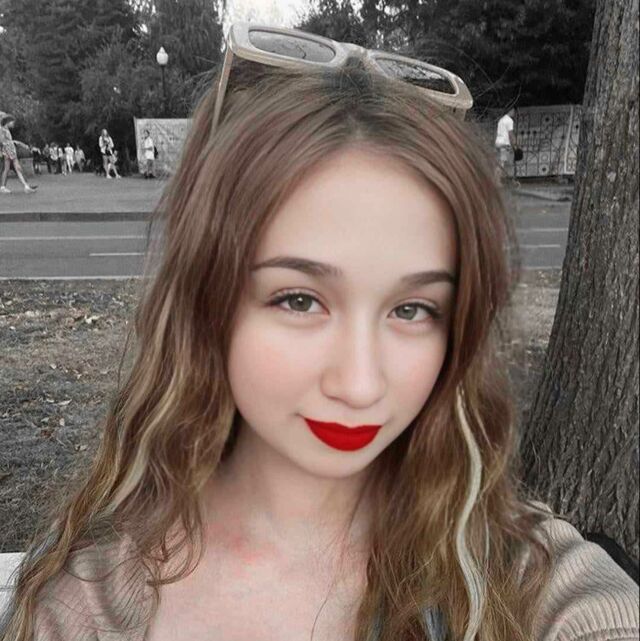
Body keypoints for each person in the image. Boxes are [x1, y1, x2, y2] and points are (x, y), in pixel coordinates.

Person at [1, 22, 638, 641]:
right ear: (206, 299)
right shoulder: (80, 607)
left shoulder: (523, 576)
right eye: (300, 300)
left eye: (412, 310)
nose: (360, 386)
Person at [0, 115, 37, 194]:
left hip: (9, 150)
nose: (13, 124)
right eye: (12, 122)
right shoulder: (2, 130)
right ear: (8, 122)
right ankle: (26, 186)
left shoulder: (5, 130)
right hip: (9, 150)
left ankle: (4, 187)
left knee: (9, 169)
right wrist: (6, 150)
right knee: (15, 168)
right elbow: (2, 141)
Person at [495, 107, 517, 183]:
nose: (514, 113)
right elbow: (510, 133)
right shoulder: (509, 120)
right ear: (511, 110)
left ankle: (498, 179)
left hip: (498, 142)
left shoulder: (501, 120)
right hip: (504, 143)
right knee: (504, 163)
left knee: (501, 162)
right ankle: (497, 181)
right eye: (513, 111)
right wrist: (514, 143)